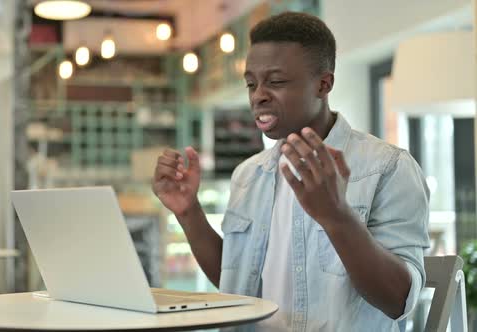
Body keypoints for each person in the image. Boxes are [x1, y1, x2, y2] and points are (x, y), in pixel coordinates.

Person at [152, 11, 429, 332]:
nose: (258, 95)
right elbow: (236, 280)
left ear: (323, 84)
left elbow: (398, 301)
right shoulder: (248, 174)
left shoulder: (388, 167)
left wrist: (338, 217)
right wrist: (189, 213)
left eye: (277, 81)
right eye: (251, 84)